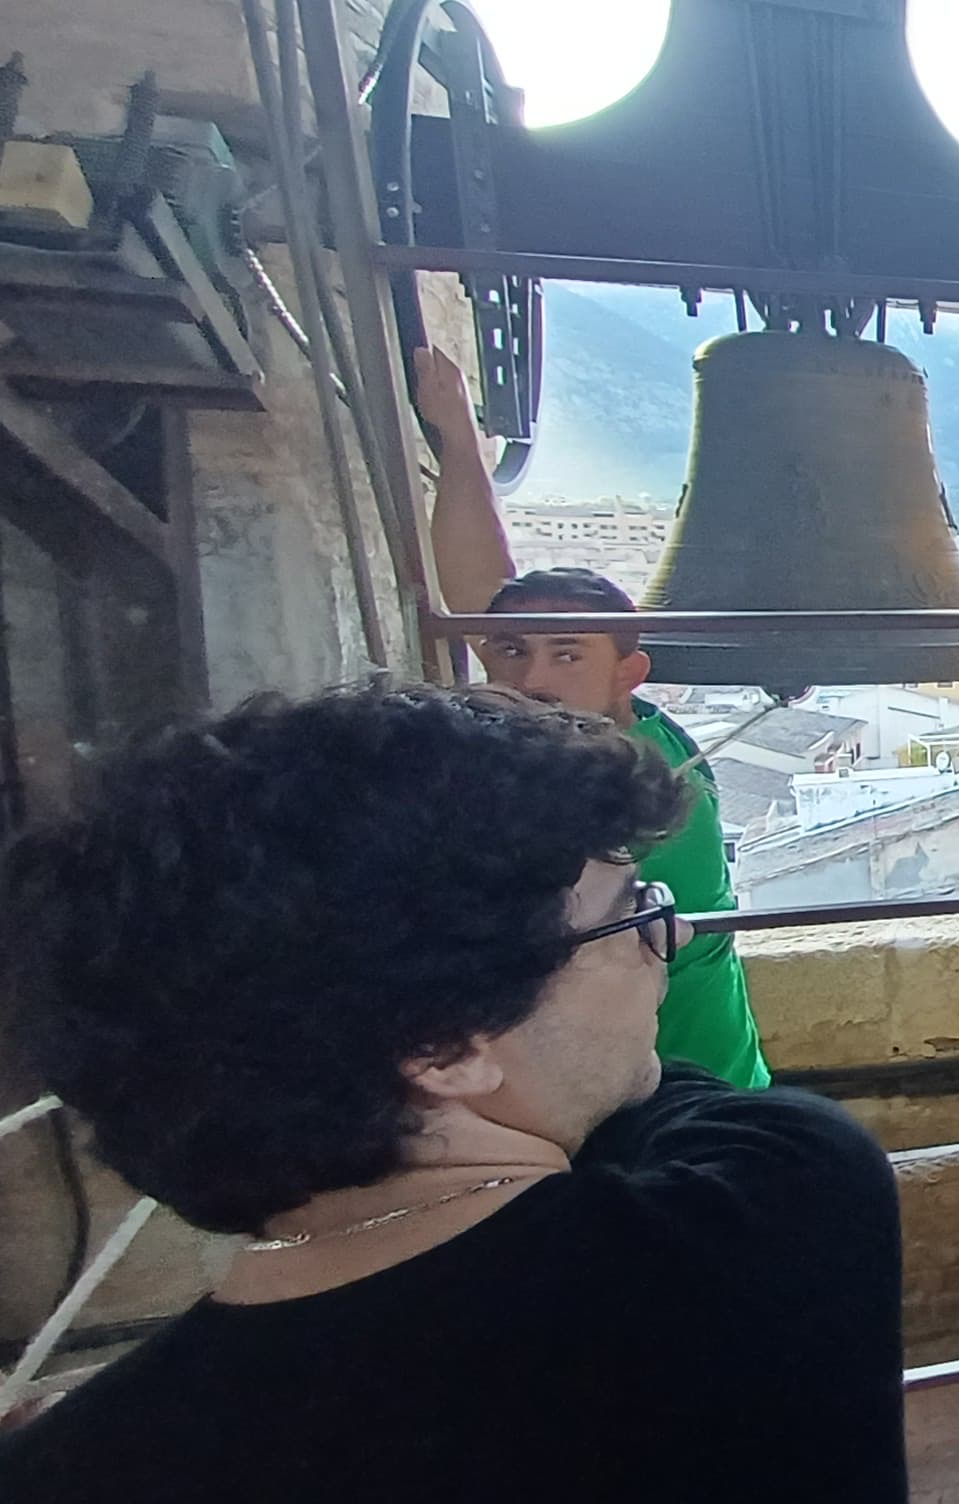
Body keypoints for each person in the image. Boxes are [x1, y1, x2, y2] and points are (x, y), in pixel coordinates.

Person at [0, 682, 906, 1501]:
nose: (664, 943)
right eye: (628, 914)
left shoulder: (63, 1468)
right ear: (444, 1046)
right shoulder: (766, 1208)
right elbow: (670, 1101)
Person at [414, 347, 769, 1088]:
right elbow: (484, 600)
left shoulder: (642, 781)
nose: (532, 679)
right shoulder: (576, 733)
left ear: (627, 675)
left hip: (685, 1092)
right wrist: (460, 445)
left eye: (567, 655)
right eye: (512, 653)